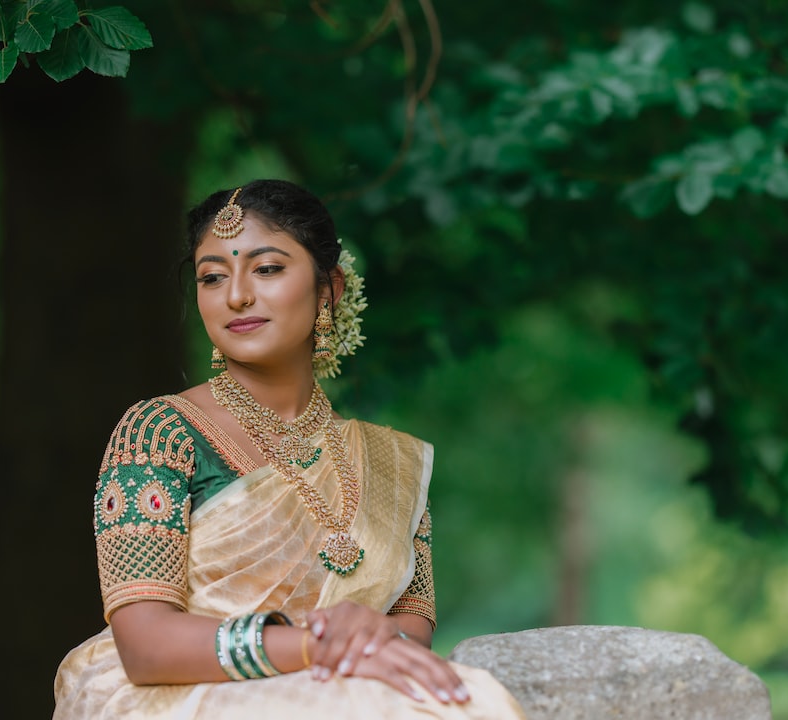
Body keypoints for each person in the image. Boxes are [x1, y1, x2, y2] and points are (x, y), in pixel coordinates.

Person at [53, 179, 526, 718]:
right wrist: (311, 644)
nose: (236, 296)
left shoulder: (391, 464)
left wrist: (362, 635)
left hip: (353, 687)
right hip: (193, 697)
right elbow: (145, 646)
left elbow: (410, 636)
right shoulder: (159, 434)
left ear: (330, 290)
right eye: (212, 277)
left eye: (268, 268)